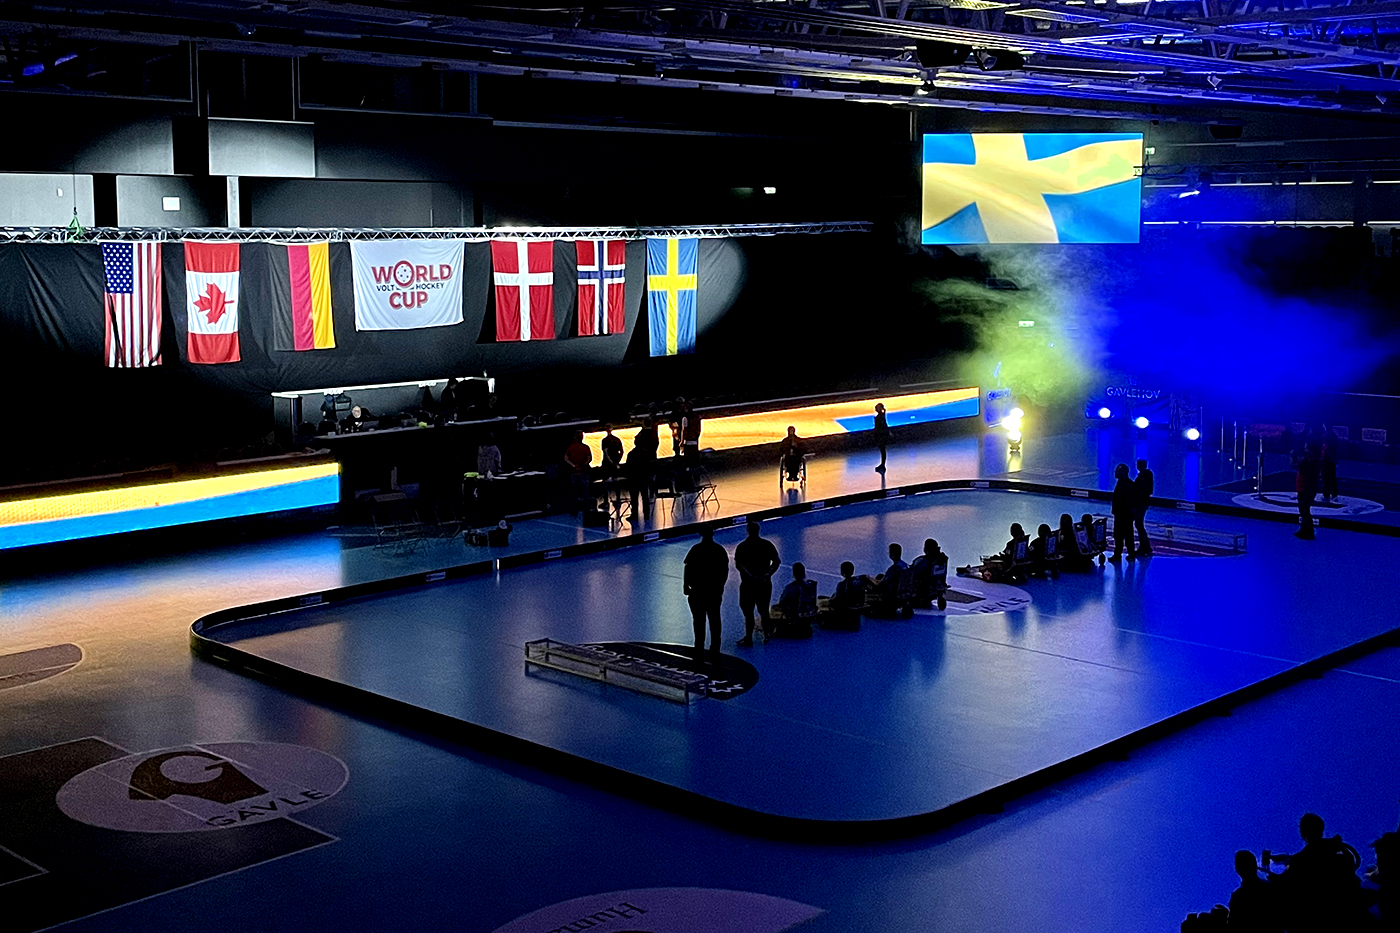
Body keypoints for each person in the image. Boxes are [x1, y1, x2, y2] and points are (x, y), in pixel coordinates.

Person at [1271, 812, 1362, 931]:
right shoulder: (1339, 853)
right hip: (1342, 917)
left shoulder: (1299, 860)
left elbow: (1286, 882)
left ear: (1303, 833)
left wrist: (1274, 878)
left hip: (1311, 920)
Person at [734, 519, 781, 646]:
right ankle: (766, 635)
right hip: (764, 583)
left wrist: (749, 575)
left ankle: (748, 638)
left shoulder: (742, 546)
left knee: (748, 613)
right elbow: (776, 561)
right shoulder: (767, 545)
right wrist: (769, 573)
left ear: (748, 531)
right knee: (764, 610)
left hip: (748, 585)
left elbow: (739, 565)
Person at [683, 527, 729, 657]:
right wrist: (720, 586)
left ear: (701, 534)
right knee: (714, 620)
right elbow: (724, 571)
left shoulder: (695, 549)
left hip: (697, 591)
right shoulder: (719, 550)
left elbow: (688, 567)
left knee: (698, 621)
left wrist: (685, 585)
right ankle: (715, 647)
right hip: (713, 591)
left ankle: (699, 646)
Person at [1227, 850, 1283, 933]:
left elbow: (1233, 926)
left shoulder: (1238, 896)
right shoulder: (1271, 888)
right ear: (1255, 865)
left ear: (1237, 869)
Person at [772, 562, 817, 636]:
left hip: (792, 614)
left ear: (793, 574)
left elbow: (782, 602)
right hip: (807, 613)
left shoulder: (790, 587)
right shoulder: (809, 586)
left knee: (773, 608)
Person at [865, 542, 910, 616]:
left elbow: (880, 584)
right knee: (880, 576)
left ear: (891, 554)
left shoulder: (893, 569)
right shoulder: (905, 566)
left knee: (866, 580)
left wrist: (868, 578)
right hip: (902, 593)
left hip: (891, 595)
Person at [628, 418, 660, 519]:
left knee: (634, 497)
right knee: (645, 496)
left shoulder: (631, 454)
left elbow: (628, 466)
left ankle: (635, 514)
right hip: (644, 476)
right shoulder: (653, 436)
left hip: (634, 478)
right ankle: (646, 514)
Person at [823, 561, 865, 630]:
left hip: (844, 611)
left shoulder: (842, 585)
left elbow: (837, 600)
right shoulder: (859, 583)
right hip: (855, 610)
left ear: (842, 572)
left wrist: (829, 600)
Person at [908, 538, 947, 607]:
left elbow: (910, 573)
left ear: (926, 549)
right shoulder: (941, 560)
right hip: (936, 587)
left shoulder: (922, 561)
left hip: (922, 588)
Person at [1109, 463, 1136, 561]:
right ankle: (1129, 553)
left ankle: (1120, 554)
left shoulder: (1125, 485)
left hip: (1123, 514)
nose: (1115, 473)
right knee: (1124, 534)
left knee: (1121, 534)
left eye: (1117, 471)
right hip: (1123, 514)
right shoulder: (1126, 483)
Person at [1295, 442, 1320, 540]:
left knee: (1305, 511)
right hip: (1305, 487)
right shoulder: (1311, 460)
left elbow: (1298, 466)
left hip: (1306, 487)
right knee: (1303, 510)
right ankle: (1304, 529)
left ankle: (1308, 532)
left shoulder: (1310, 461)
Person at [563, 430, 593, 513]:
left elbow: (566, 458)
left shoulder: (571, 447)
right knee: (585, 490)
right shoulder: (585, 447)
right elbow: (589, 458)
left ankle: (574, 507)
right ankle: (585, 507)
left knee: (575, 490)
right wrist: (582, 465)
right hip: (583, 471)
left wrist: (573, 466)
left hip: (574, 471)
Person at [1133, 458, 1154, 556]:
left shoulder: (1144, 476)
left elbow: (1140, 490)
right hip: (1142, 503)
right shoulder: (1146, 475)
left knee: (1139, 525)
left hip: (1141, 503)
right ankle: (1144, 547)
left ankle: (1145, 547)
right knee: (1139, 525)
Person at [1321, 427, 1339, 503]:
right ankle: (1334, 494)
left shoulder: (1326, 436)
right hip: (1330, 460)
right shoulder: (1334, 436)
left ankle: (1326, 495)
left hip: (1326, 460)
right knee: (1332, 477)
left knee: (1326, 478)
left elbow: (1326, 448)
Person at [873, 402, 890, 473]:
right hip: (882, 434)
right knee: (882, 450)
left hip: (881, 435)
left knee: (882, 450)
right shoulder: (882, 416)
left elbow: (880, 426)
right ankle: (882, 464)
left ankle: (882, 464)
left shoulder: (880, 417)